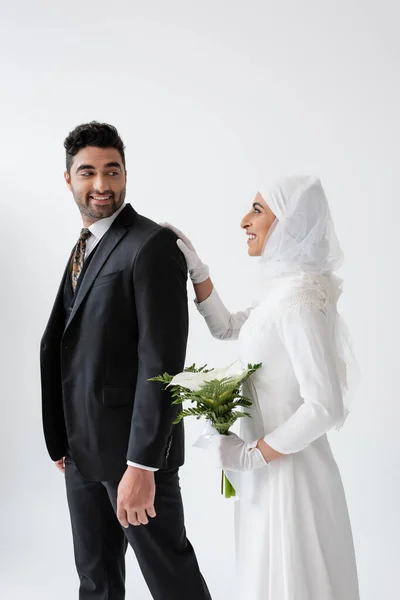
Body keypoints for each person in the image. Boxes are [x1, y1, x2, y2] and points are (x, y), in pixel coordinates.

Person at [165, 175, 360, 600]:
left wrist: (252, 456)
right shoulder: (282, 292)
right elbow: (229, 327)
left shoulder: (300, 300)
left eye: (257, 210)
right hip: (270, 474)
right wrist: (198, 273)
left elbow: (325, 404)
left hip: (292, 478)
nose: (243, 221)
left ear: (288, 223)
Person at [40, 121, 211, 600]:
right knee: (96, 582)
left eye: (112, 171)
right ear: (69, 179)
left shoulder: (151, 245)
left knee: (171, 580)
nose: (101, 185)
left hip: (134, 459)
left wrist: (141, 466)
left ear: (126, 174)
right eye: (88, 172)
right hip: (80, 452)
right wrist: (63, 438)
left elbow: (161, 364)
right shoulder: (85, 246)